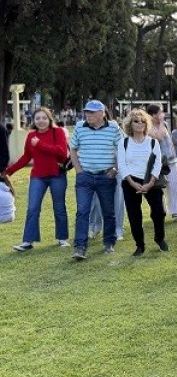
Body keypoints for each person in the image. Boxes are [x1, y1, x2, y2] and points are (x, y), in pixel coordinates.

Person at [5, 107, 70, 251]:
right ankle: (28, 241)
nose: (41, 121)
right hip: (38, 177)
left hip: (57, 175)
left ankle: (62, 238)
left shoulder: (57, 132)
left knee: (59, 207)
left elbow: (62, 153)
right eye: (38, 118)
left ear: (49, 119)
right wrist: (9, 171)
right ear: (34, 120)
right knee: (33, 208)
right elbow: (26, 157)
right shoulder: (31, 136)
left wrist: (40, 144)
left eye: (44, 118)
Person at [69, 100, 123, 260]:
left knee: (108, 212)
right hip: (85, 176)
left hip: (106, 175)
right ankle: (80, 247)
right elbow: (73, 149)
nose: (88, 115)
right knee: (82, 211)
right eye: (87, 112)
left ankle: (109, 243)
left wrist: (115, 169)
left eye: (92, 112)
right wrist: (79, 170)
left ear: (102, 114)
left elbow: (122, 149)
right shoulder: (79, 126)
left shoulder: (113, 127)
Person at [118, 109, 168, 257]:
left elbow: (157, 164)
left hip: (151, 181)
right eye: (136, 121)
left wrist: (151, 182)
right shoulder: (124, 142)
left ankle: (160, 239)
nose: (139, 124)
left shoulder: (153, 142)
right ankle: (139, 245)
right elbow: (121, 164)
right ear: (130, 124)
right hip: (130, 182)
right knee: (134, 215)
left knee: (159, 212)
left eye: (143, 121)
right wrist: (132, 183)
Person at [147, 104, 177, 221]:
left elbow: (168, 141)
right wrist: (161, 121)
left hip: (171, 160)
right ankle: (161, 211)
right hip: (158, 163)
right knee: (159, 187)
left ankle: (176, 212)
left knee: (175, 185)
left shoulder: (163, 125)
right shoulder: (148, 127)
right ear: (153, 115)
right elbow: (158, 137)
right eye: (160, 113)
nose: (162, 115)